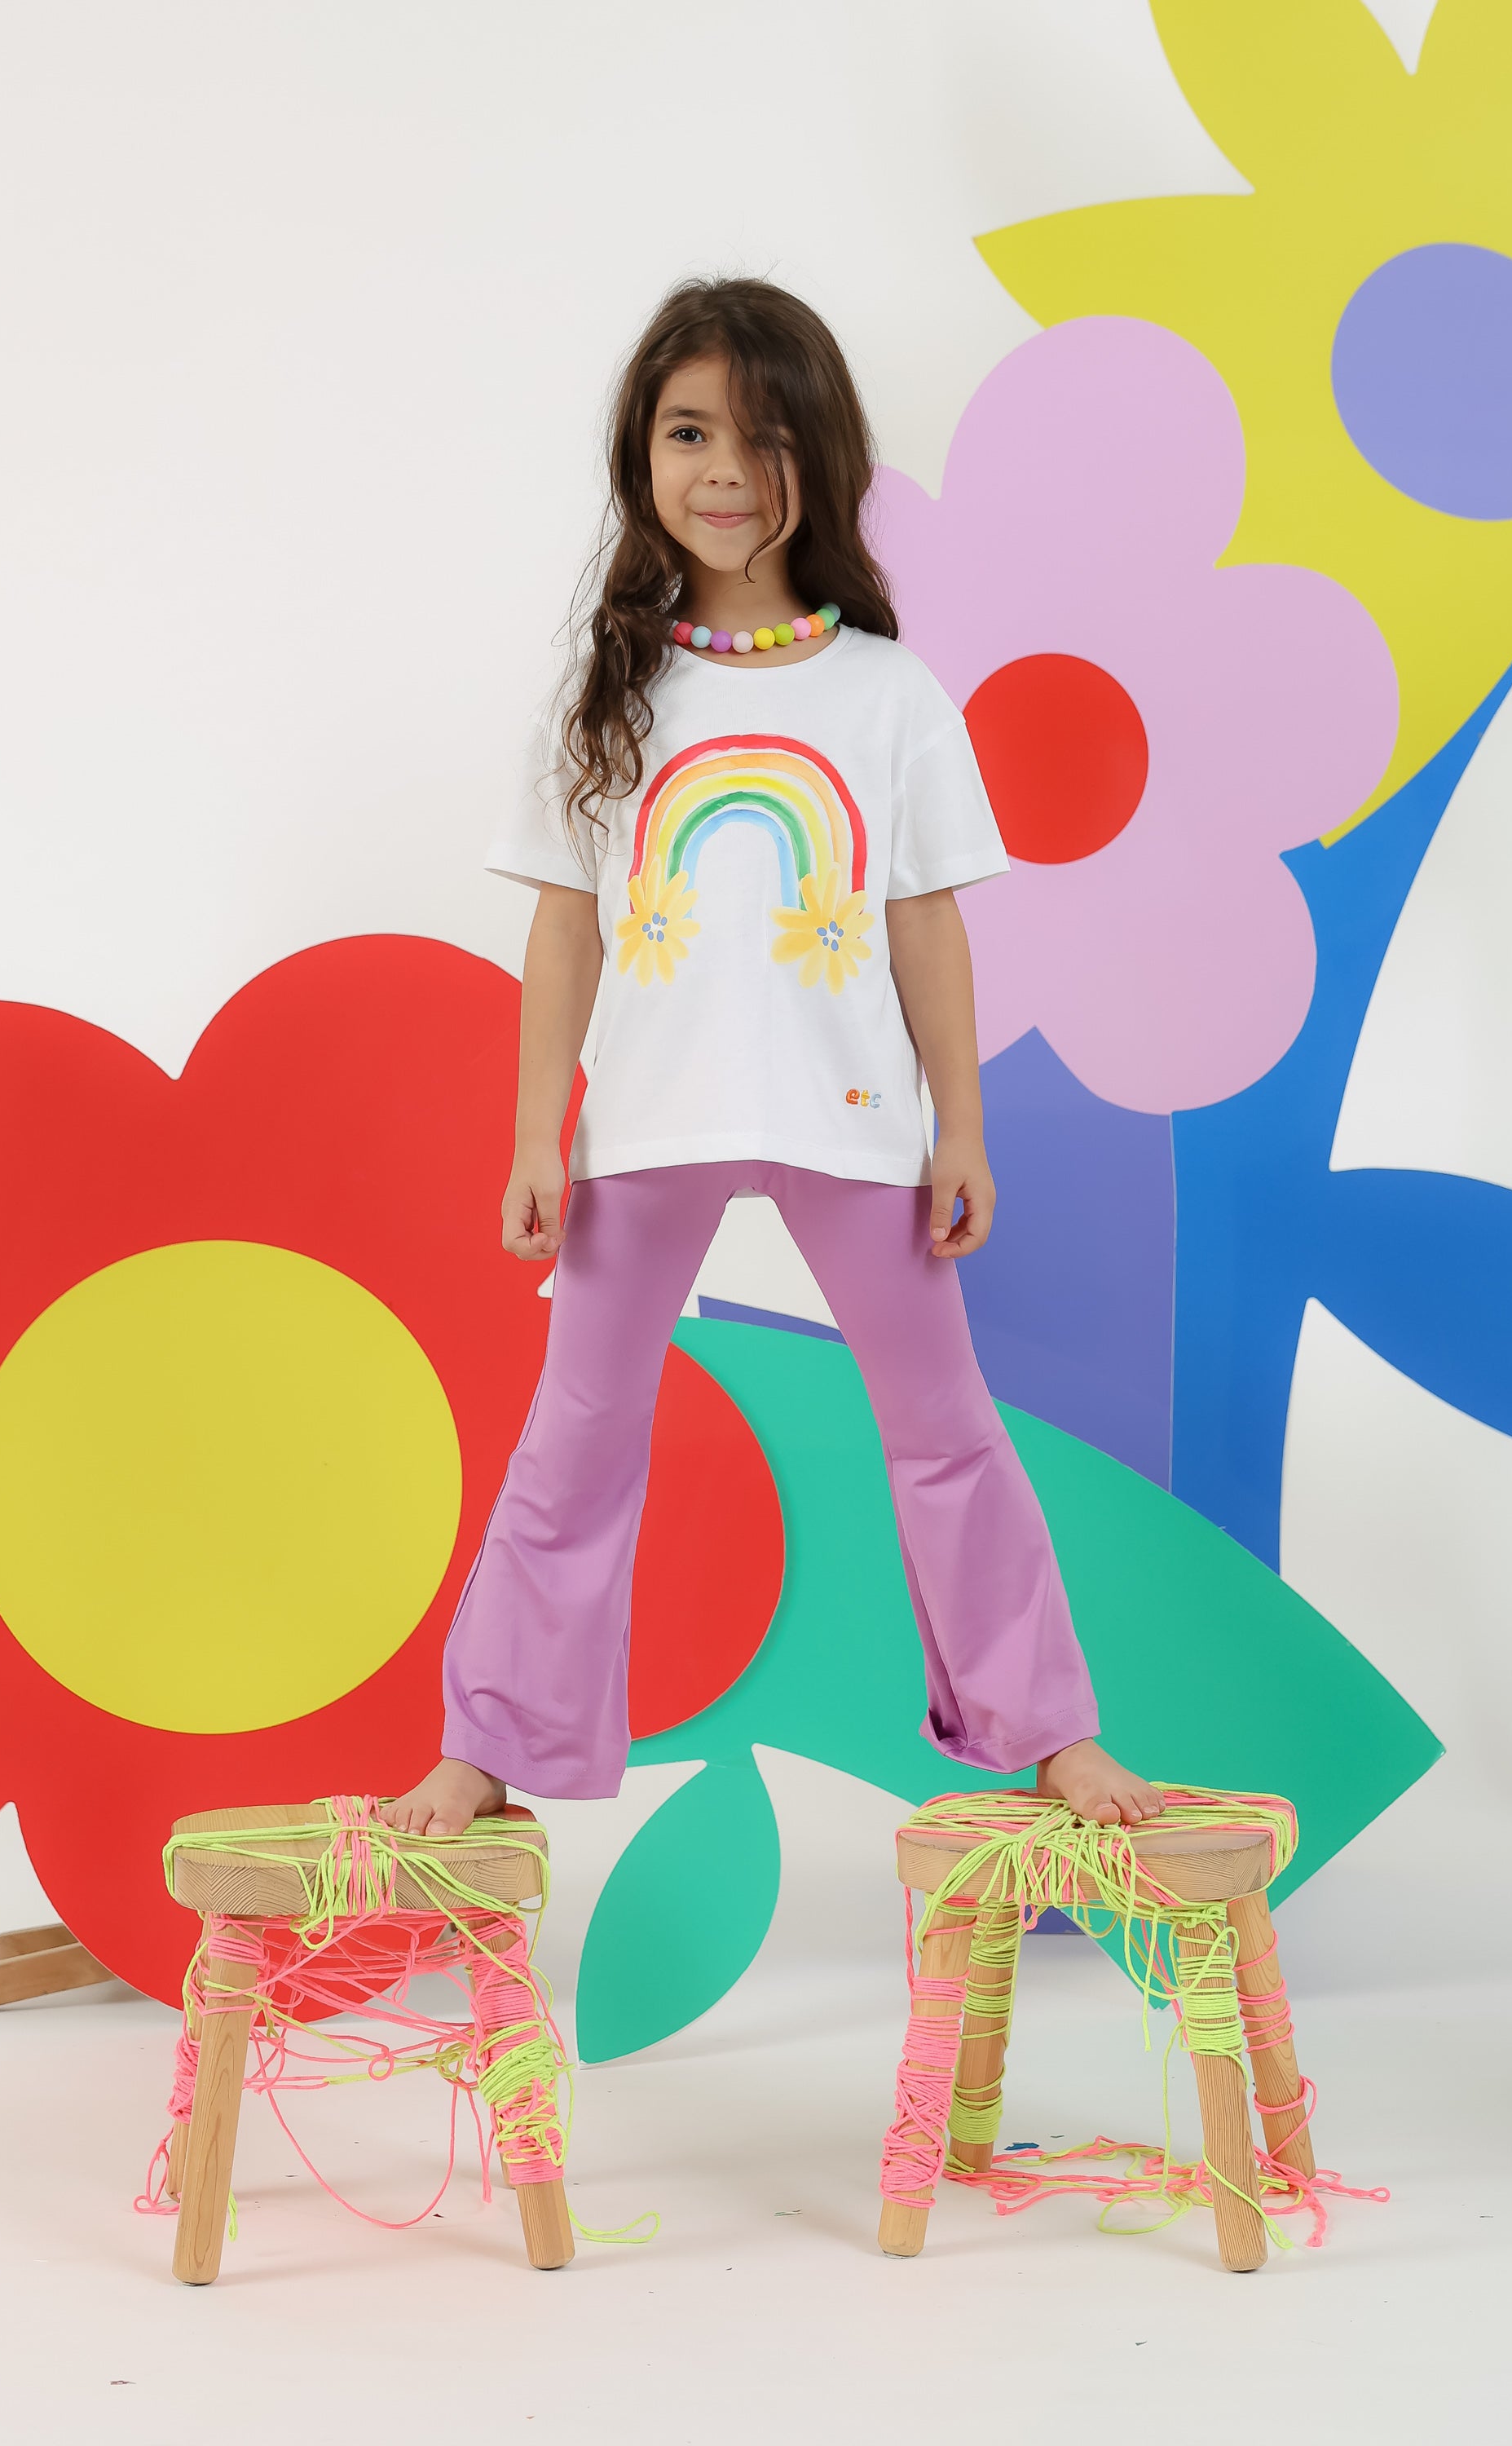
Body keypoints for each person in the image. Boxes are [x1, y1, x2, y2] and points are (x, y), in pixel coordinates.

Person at [384, 277, 1161, 1840]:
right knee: (578, 1438)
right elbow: (564, 932)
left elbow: (927, 926)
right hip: (646, 1125)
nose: (724, 470)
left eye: (762, 435)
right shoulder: (610, 693)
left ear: (823, 454)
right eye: (688, 433)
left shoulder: (888, 694)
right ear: (640, 454)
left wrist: (960, 1128)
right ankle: (488, 1746)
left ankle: (1052, 1735)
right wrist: (539, 1135)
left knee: (946, 1431)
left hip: (853, 1119)